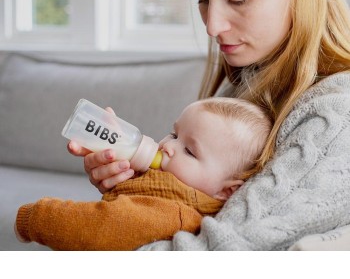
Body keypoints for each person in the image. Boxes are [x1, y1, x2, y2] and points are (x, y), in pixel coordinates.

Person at [68, 0, 350, 251]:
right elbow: (200, 212)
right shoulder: (246, 81)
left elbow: (221, 249)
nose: (212, 26)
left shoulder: (337, 118)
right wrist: (140, 188)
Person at [15, 97, 271, 250]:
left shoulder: (173, 216)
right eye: (174, 134)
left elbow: (96, 228)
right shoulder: (169, 191)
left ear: (227, 191)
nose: (167, 147)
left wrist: (34, 218)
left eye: (190, 151)